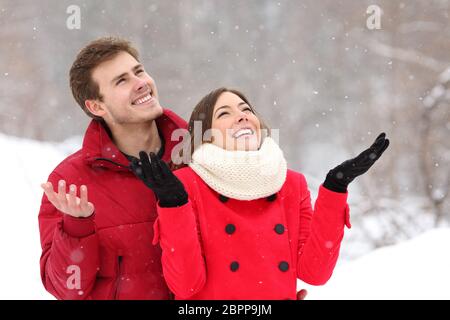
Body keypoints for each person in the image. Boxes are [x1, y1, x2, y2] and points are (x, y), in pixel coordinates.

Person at [131, 87, 389, 300]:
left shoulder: (292, 184)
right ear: (205, 136)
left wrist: (335, 188)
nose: (242, 116)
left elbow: (315, 272)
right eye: (224, 113)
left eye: (246, 110)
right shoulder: (185, 186)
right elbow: (186, 285)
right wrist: (174, 204)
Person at [38, 37, 187, 299]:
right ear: (97, 106)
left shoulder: (200, 155)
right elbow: (68, 290)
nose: (141, 83)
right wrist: (77, 227)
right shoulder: (70, 182)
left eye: (138, 71)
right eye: (122, 80)